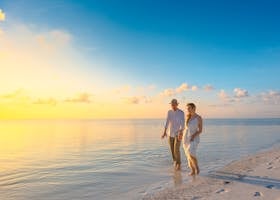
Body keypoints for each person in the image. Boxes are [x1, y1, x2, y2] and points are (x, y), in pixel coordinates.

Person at [161, 99, 185, 170]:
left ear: (177, 104)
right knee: (172, 149)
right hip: (170, 133)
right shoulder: (169, 112)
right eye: (172, 104)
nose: (173, 105)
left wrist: (181, 132)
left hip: (178, 133)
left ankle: (179, 164)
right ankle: (175, 161)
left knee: (176, 149)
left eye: (174, 104)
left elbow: (183, 124)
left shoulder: (181, 112)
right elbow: (167, 122)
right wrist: (164, 132)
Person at [183, 103, 203, 176]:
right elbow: (185, 128)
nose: (187, 110)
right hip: (186, 138)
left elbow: (200, 130)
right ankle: (192, 170)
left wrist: (193, 136)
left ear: (194, 108)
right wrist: (180, 134)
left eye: (189, 108)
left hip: (194, 138)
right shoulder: (187, 117)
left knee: (191, 153)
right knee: (188, 155)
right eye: (187, 108)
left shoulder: (199, 118)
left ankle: (197, 167)